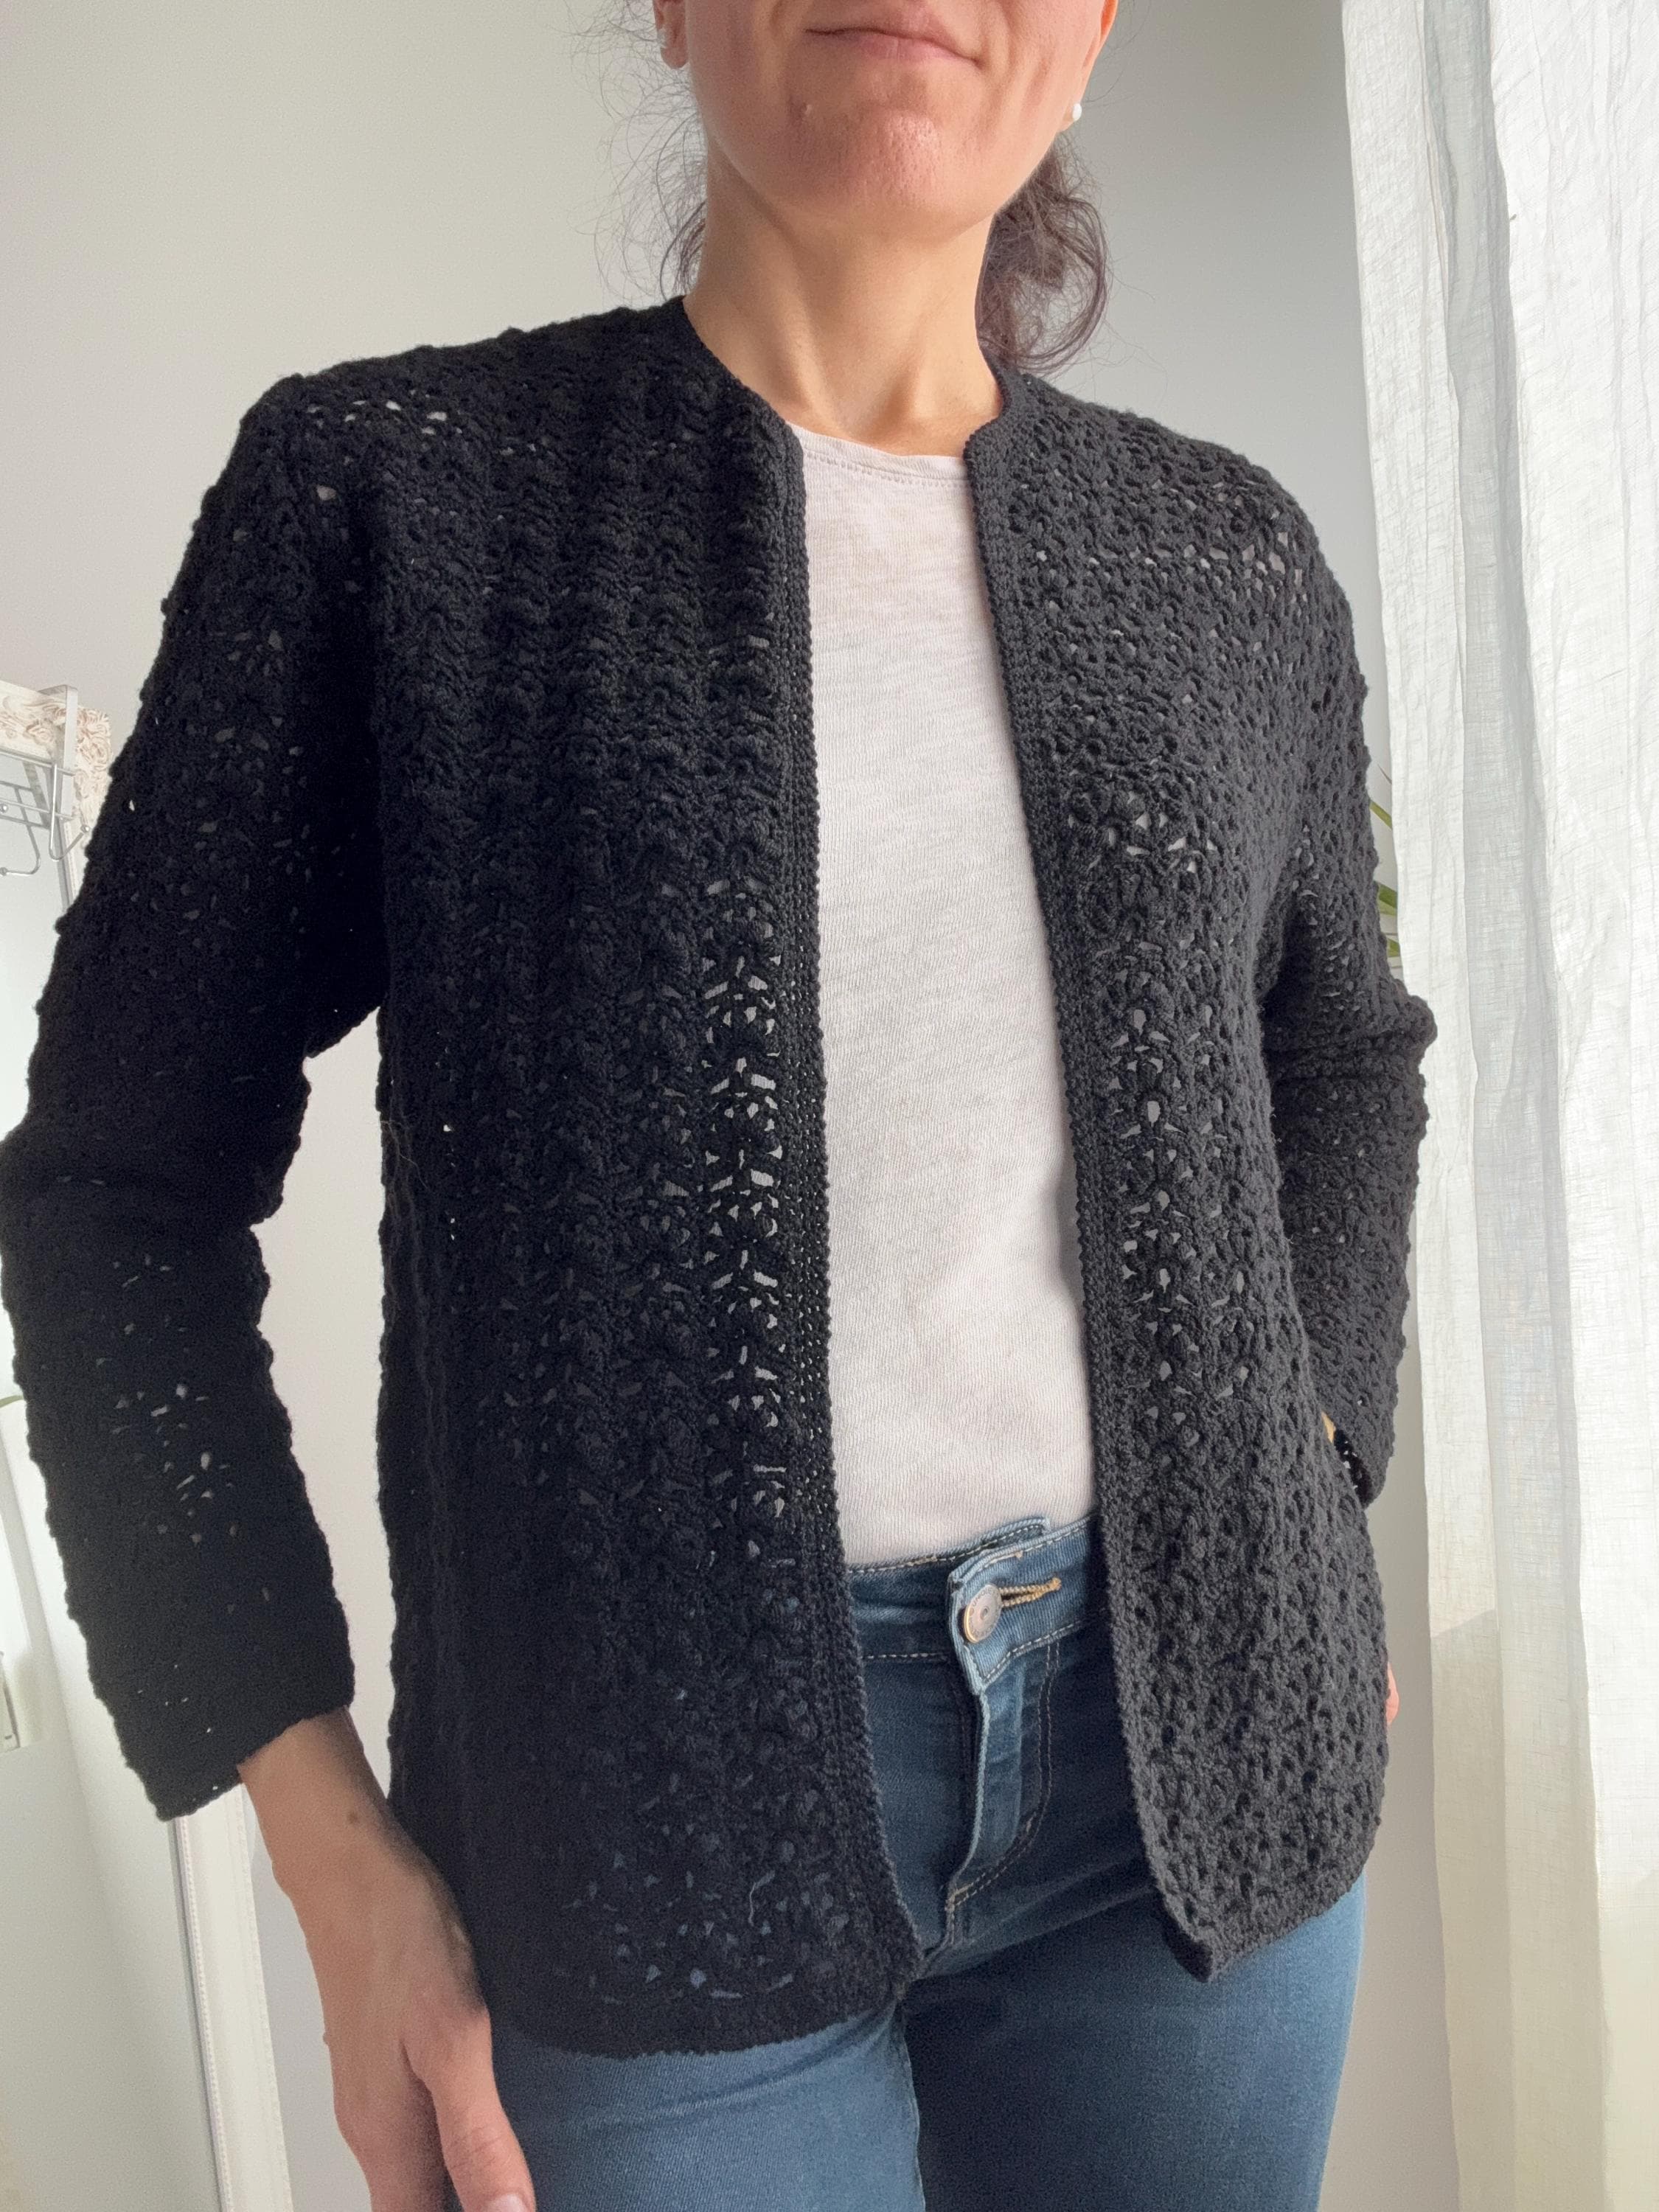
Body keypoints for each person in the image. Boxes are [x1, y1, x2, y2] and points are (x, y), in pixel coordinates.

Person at [0, 1, 1433, 2208]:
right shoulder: (389, 502)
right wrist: (330, 1857)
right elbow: (113, 1195)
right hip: (623, 1825)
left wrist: (1311, 1487)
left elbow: (1341, 1052)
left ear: (1092, 27)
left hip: (1191, 1808)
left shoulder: (1227, 558)